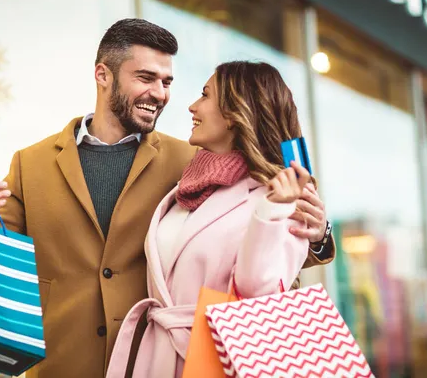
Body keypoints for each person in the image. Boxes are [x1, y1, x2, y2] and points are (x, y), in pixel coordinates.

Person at [0, 19, 335, 378]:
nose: (160, 93)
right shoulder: (31, 163)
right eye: (146, 78)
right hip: (62, 365)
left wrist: (317, 234)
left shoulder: (192, 162)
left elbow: (255, 255)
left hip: (160, 361)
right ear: (103, 75)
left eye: (167, 81)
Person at [105, 60, 319, 378]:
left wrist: (271, 212)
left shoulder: (284, 199)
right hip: (156, 358)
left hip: (218, 361)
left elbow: (257, 297)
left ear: (235, 113)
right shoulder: (187, 188)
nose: (192, 106)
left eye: (205, 95)